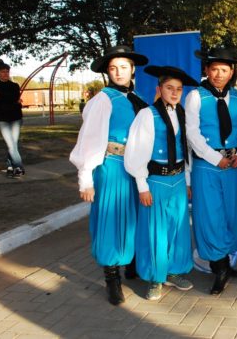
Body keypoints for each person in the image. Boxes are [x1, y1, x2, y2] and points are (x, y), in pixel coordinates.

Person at [69, 45, 148, 305]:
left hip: (134, 168)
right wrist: (86, 179)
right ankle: (112, 279)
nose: (119, 72)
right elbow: (89, 140)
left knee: (134, 217)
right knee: (111, 221)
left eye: (124, 66)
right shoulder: (103, 100)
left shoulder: (137, 98)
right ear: (108, 71)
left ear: (132, 69)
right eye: (113, 68)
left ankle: (132, 265)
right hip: (112, 166)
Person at [124, 66, 198, 300]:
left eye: (178, 89)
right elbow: (136, 152)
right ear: (159, 89)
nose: (174, 92)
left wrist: (186, 180)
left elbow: (184, 150)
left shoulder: (182, 113)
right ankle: (156, 278)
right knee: (157, 231)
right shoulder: (147, 114)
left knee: (178, 229)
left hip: (177, 180)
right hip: (155, 181)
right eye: (169, 88)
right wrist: (142, 186)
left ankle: (174, 272)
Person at [185, 47, 237, 295]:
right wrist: (214, 158)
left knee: (234, 214)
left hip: (233, 166)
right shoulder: (195, 96)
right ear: (206, 70)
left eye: (224, 70)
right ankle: (219, 266)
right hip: (207, 166)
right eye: (214, 69)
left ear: (232, 71)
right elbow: (192, 133)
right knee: (210, 216)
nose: (219, 74)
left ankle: (225, 261)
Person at [0, 61, 25, 178]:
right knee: (11, 144)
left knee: (13, 144)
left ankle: (9, 167)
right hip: (2, 119)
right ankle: (18, 167)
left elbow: (17, 102)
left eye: (7, 71)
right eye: (2, 72)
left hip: (16, 118)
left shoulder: (14, 86)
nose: (5, 74)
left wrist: (0, 99)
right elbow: (12, 101)